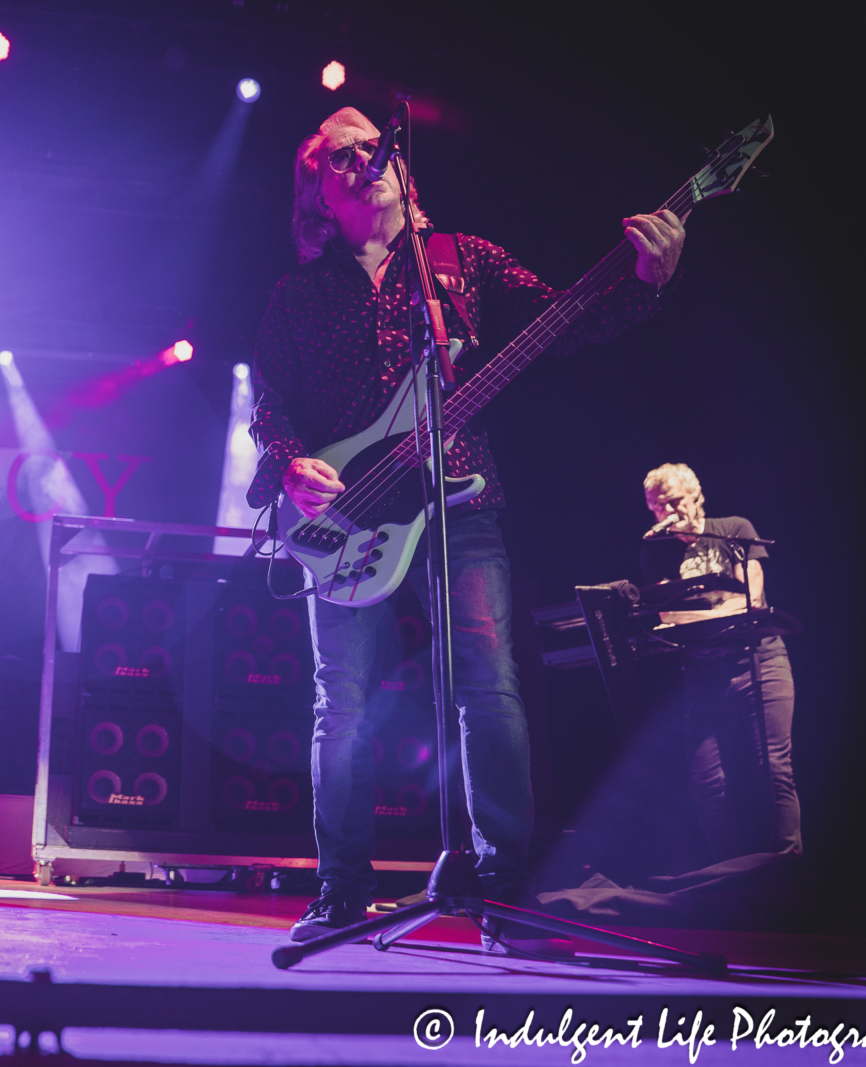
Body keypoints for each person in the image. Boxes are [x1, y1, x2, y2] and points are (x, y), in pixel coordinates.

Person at [247, 107, 687, 944]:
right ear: (317, 198)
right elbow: (270, 408)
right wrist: (294, 464)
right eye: (341, 156)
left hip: (460, 500)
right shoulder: (296, 297)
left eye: (376, 148)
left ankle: (502, 888)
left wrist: (646, 281)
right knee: (340, 701)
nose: (364, 159)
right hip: (346, 519)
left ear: (405, 174)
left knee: (489, 684)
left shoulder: (460, 262)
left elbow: (567, 319)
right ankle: (341, 890)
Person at [638, 462, 801, 861]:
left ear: (695, 496)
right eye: (657, 507)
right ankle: (728, 871)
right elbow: (667, 618)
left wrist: (699, 613)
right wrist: (716, 608)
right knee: (705, 779)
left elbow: (753, 598)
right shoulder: (657, 554)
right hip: (703, 674)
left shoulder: (733, 530)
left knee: (773, 767)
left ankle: (786, 864)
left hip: (759, 661)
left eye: (674, 501)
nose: (668, 512)